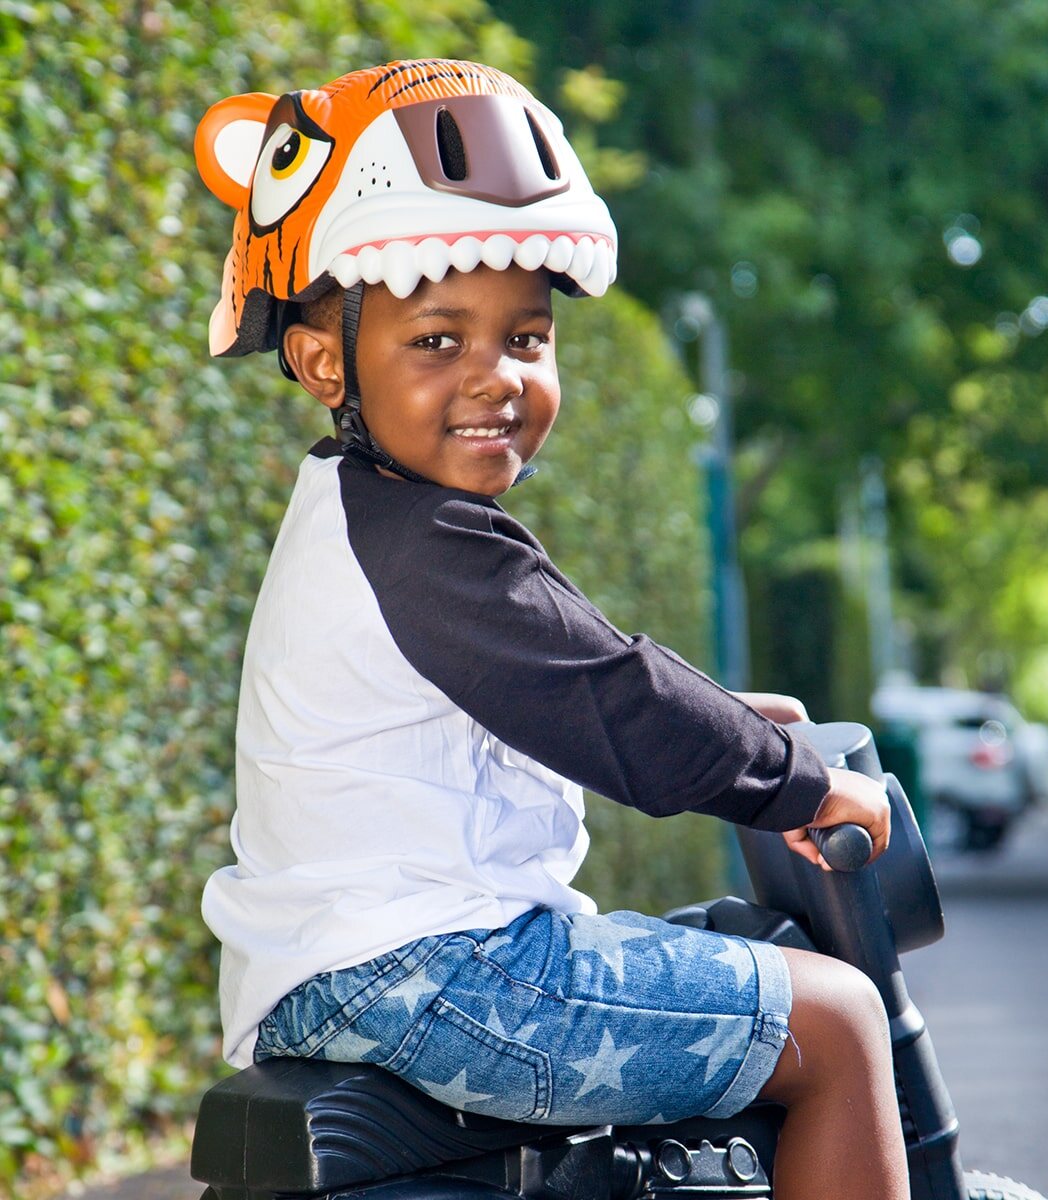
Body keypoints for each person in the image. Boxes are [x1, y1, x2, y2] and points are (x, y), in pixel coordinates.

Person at [194, 58, 908, 1200]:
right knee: (838, 1022)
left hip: (346, 968)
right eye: (437, 341)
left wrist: (730, 719)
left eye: (526, 339)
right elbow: (606, 696)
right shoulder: (429, 546)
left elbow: (575, 659)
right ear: (326, 359)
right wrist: (799, 786)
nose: (495, 378)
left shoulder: (373, 517)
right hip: (439, 971)